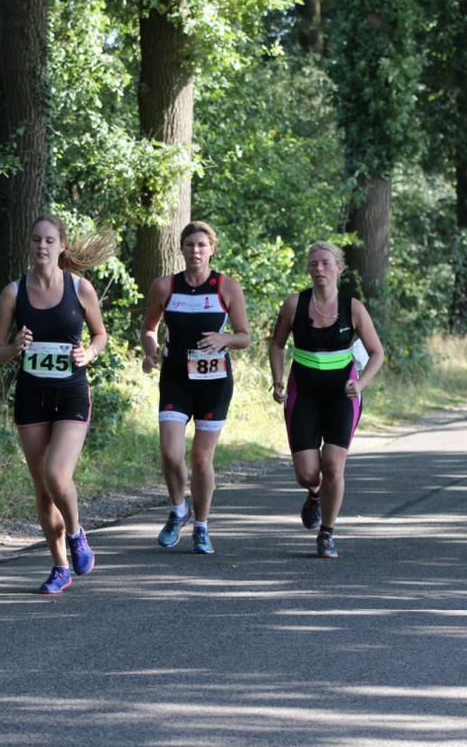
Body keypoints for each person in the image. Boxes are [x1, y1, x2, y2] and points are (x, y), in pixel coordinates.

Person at [0, 216, 113, 594]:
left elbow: (101, 334)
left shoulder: (80, 288)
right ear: (30, 245)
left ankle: (76, 535)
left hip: (71, 394)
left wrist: (90, 352)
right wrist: (14, 348)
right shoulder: (14, 293)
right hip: (31, 397)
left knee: (58, 475)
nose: (42, 246)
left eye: (49, 240)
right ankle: (60, 567)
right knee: (43, 490)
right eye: (36, 240)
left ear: (61, 247)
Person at [140, 221, 251, 555]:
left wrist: (224, 338)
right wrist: (151, 351)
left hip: (213, 381)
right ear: (182, 249)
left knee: (202, 459)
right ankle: (178, 510)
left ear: (212, 249)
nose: (195, 251)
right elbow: (148, 328)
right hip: (175, 377)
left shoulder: (226, 287)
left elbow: (245, 336)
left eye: (202, 245)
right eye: (189, 245)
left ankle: (201, 526)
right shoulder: (165, 287)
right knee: (171, 453)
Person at [269, 242, 385, 558]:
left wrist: (360, 383)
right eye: (313, 264)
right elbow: (277, 345)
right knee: (307, 473)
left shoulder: (353, 308)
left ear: (339, 268)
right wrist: (278, 380)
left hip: (341, 396)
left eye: (325, 263)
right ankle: (315, 494)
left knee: (334, 465)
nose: (319, 269)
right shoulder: (295, 305)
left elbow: (377, 353)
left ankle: (327, 533)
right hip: (303, 393)